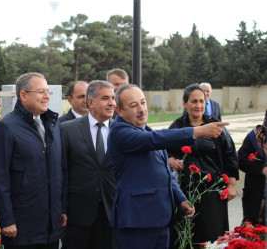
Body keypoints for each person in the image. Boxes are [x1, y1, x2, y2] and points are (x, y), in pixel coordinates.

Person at [108, 83, 229, 249]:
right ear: (119, 110)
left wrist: (181, 200)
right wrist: (197, 131)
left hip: (161, 219)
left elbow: (165, 173)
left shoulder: (146, 130)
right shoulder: (119, 132)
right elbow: (155, 139)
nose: (141, 109)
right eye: (134, 105)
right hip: (137, 221)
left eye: (143, 102)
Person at [0, 72, 67, 249]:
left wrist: (61, 208)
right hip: (23, 229)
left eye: (47, 91)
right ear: (23, 95)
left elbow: (60, 170)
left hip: (51, 228)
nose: (47, 96)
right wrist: (6, 220)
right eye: (41, 91)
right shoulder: (5, 129)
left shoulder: (53, 126)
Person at [167, 83, 238, 247]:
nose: (198, 106)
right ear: (185, 103)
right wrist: (171, 160)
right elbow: (163, 151)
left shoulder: (216, 125)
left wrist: (232, 184)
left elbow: (230, 154)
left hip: (213, 191)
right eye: (193, 101)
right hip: (185, 192)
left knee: (212, 237)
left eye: (201, 101)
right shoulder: (177, 127)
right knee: (187, 236)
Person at [61, 80, 117, 249]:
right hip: (77, 216)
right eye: (105, 98)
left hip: (112, 213)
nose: (112, 103)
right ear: (90, 102)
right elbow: (60, 172)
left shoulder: (121, 130)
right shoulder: (67, 129)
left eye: (113, 98)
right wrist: (61, 208)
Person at [238, 110, 267, 225]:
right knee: (254, 237)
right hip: (256, 197)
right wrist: (262, 169)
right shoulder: (254, 136)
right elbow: (241, 159)